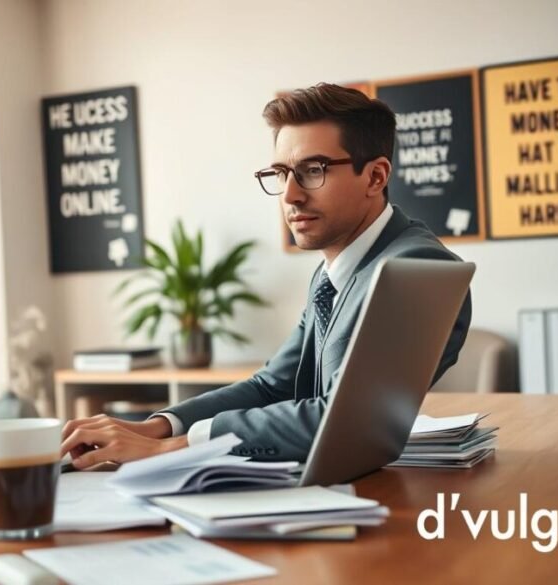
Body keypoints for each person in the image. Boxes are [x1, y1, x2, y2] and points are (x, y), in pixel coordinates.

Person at [60, 83, 472, 468]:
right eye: (280, 173)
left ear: (376, 176)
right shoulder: (334, 271)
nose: (290, 195)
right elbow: (273, 386)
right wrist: (158, 426)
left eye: (314, 170)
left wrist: (169, 449)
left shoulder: (417, 268)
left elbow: (347, 421)